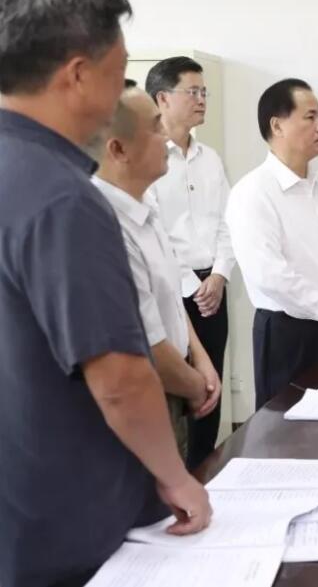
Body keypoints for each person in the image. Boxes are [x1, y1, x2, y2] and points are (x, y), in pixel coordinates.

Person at [0, 0, 209, 587]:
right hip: (70, 521)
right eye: (119, 73)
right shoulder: (65, 197)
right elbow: (119, 377)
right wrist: (175, 477)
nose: (124, 91)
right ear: (78, 75)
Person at [92, 87, 222, 461]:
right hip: (147, 394)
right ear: (118, 149)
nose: (166, 138)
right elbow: (145, 343)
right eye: (155, 128)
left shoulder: (146, 205)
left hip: (175, 380)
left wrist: (200, 358)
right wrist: (194, 384)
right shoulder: (106, 224)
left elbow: (169, 299)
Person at [227, 79, 318, 409]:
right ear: (277, 125)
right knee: (290, 431)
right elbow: (270, 275)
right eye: (310, 117)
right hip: (291, 336)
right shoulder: (252, 192)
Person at [145, 56, 234, 469]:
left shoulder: (210, 158)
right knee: (178, 391)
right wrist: (193, 287)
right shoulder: (148, 156)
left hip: (214, 287)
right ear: (162, 98)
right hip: (172, 290)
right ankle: (176, 476)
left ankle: (205, 471)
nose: (201, 100)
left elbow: (228, 223)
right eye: (192, 91)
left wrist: (219, 275)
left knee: (212, 384)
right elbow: (153, 234)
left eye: (204, 92)